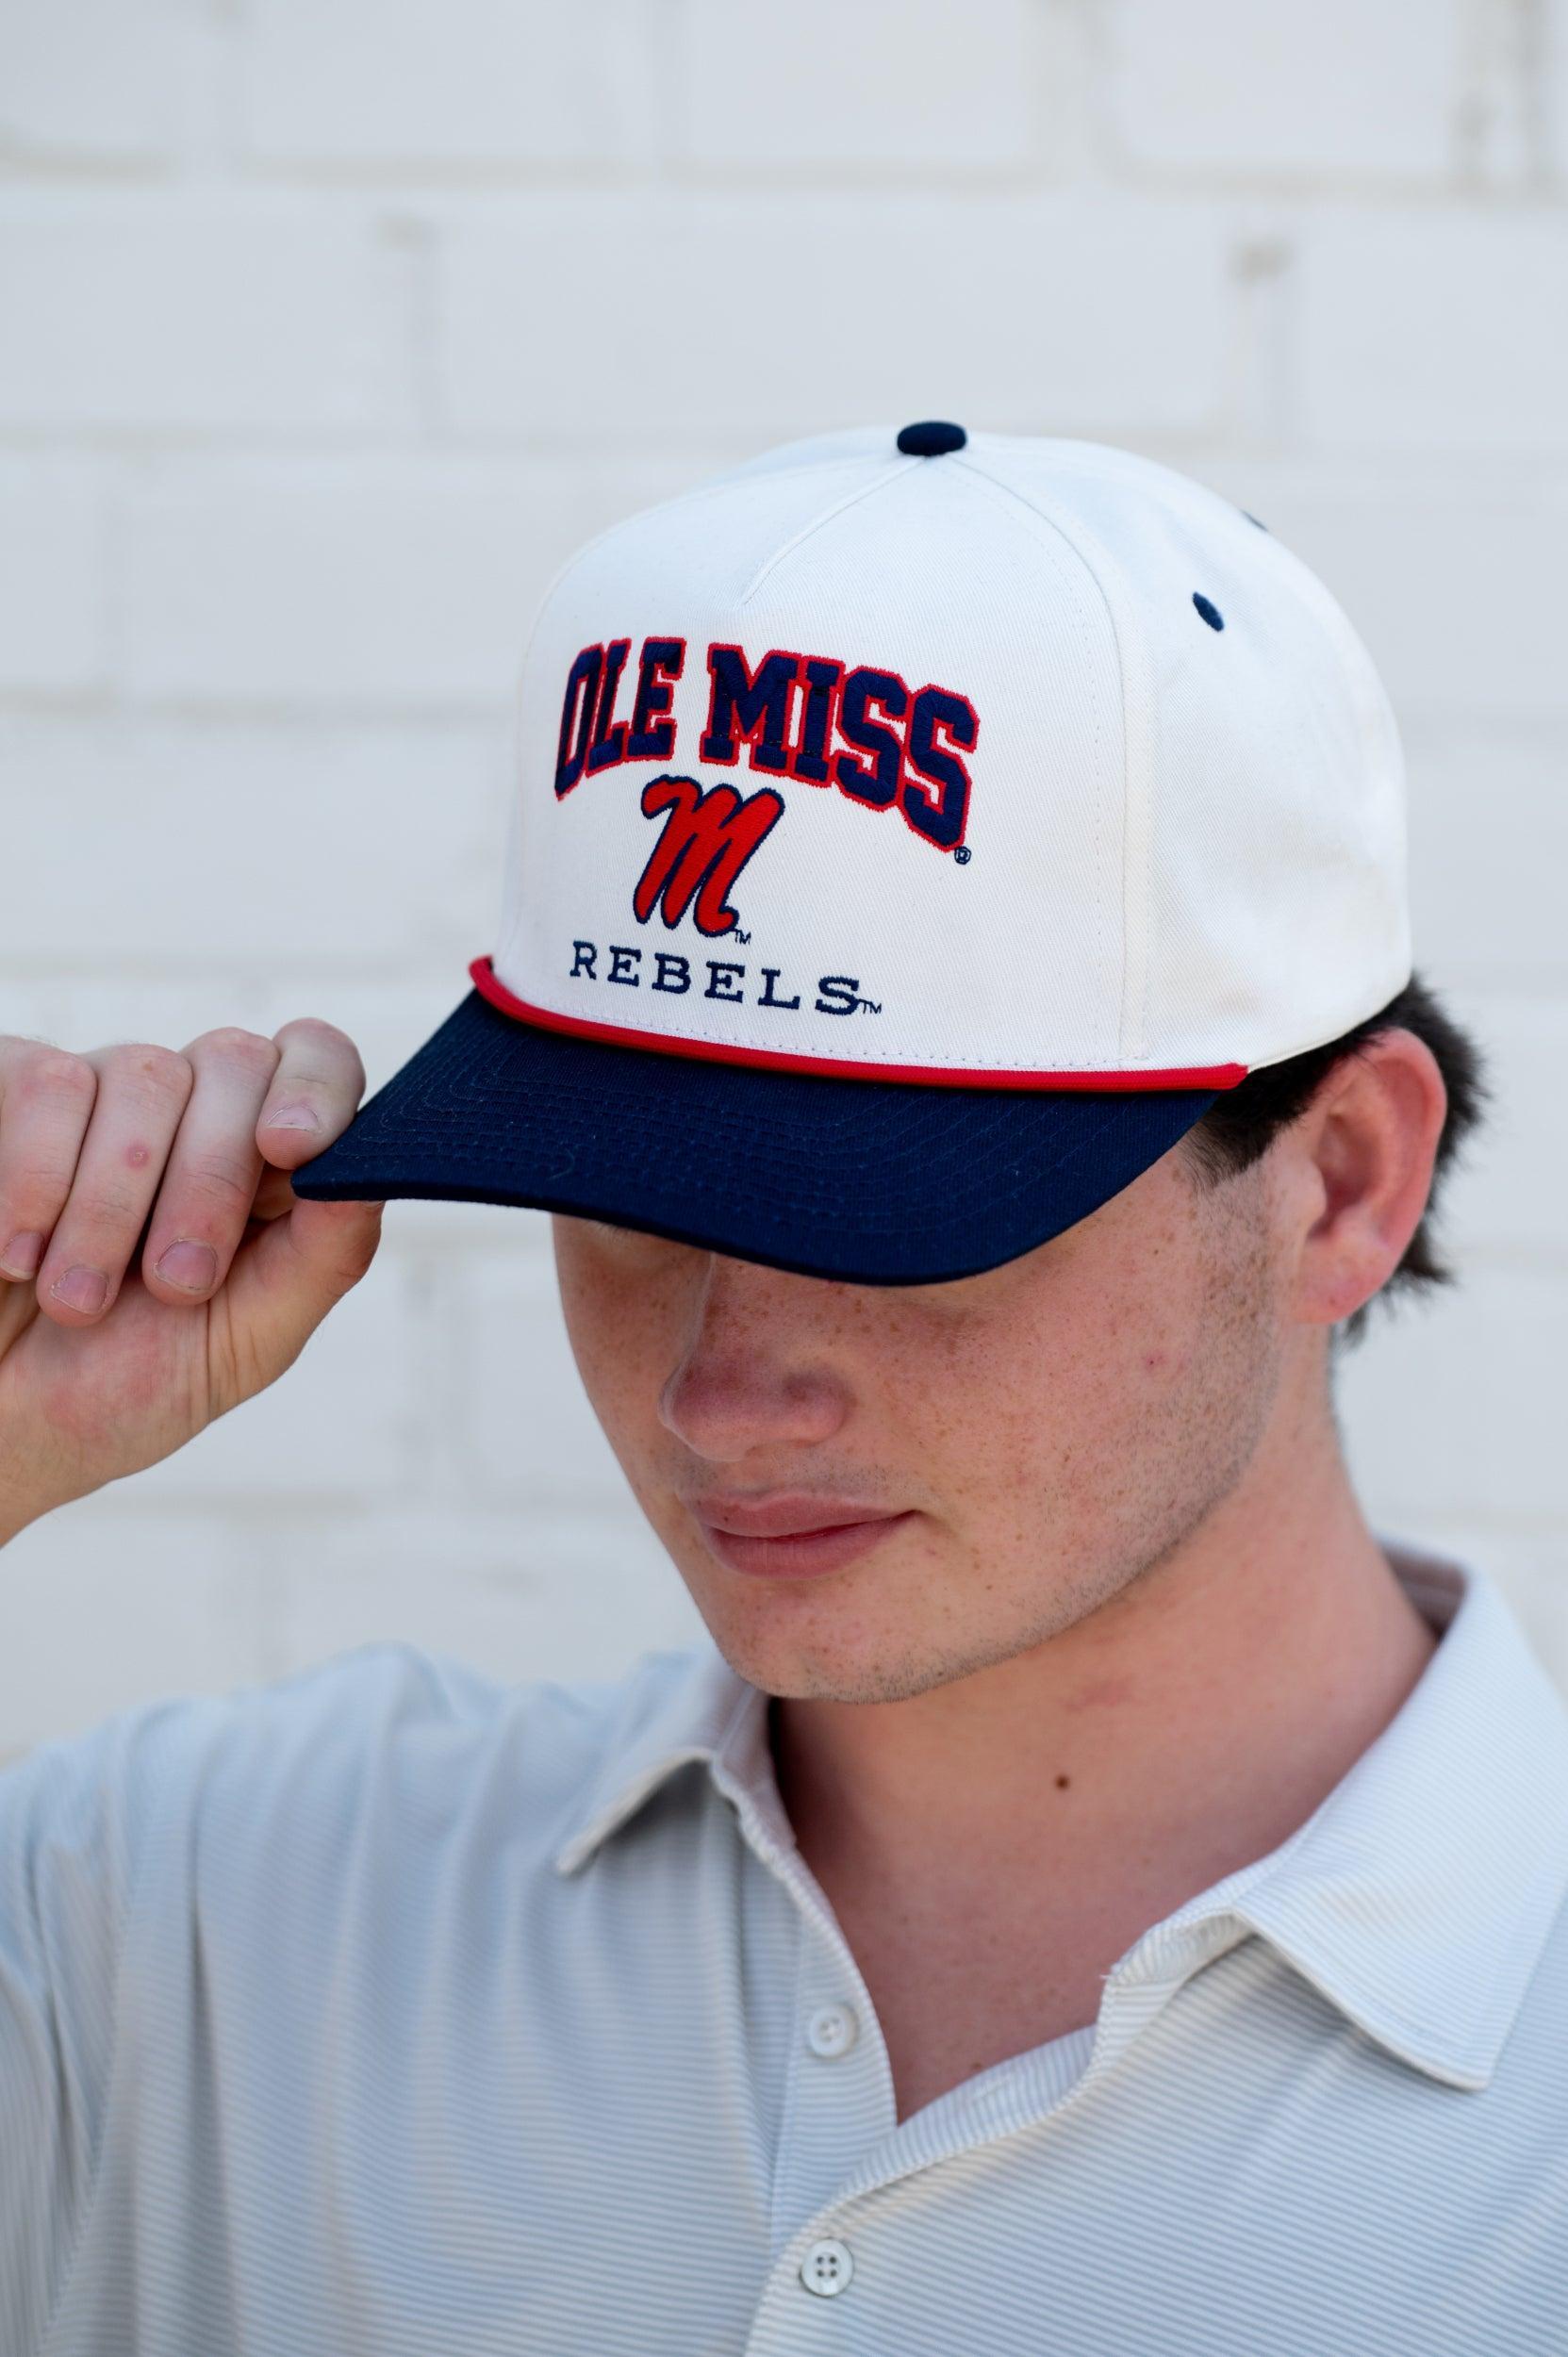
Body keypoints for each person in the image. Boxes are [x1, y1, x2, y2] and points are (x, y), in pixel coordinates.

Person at [2, 423, 1562, 2355]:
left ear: (1336, 1183)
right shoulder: (192, 1923)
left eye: (887, 1215)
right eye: (627, 1199)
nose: (720, 1396)